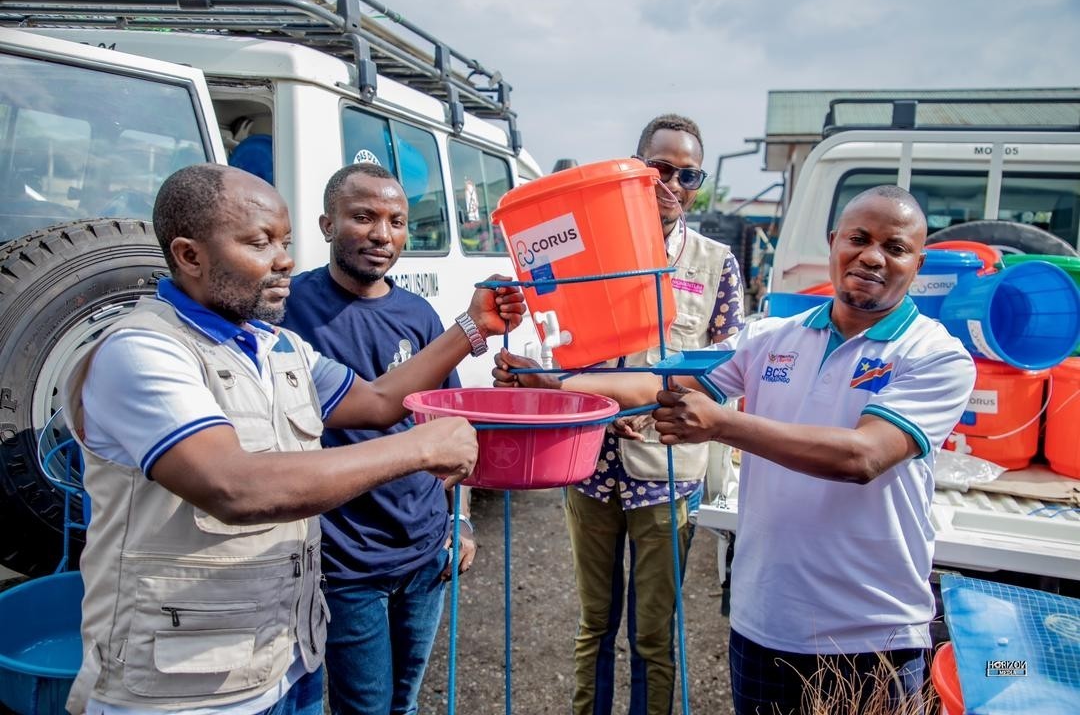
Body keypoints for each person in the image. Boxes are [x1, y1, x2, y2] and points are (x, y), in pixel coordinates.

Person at [61, 163, 524, 715]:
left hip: (287, 658)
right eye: (259, 243)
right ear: (189, 256)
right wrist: (421, 448)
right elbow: (234, 487)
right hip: (187, 688)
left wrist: (472, 329)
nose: (284, 260)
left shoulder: (276, 347)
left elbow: (377, 403)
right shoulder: (143, 350)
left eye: (285, 241)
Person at [496, 185, 976, 714]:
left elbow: (862, 456)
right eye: (859, 239)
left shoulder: (936, 355)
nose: (872, 256)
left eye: (895, 247)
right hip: (764, 623)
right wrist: (552, 384)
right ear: (833, 241)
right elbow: (660, 384)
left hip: (870, 634)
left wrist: (724, 424)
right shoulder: (770, 337)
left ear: (917, 261)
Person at [562, 114, 745, 715]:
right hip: (589, 465)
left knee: (652, 635)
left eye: (687, 174)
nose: (672, 184)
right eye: (659, 169)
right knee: (594, 626)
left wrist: (647, 405)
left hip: (668, 473)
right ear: (635, 168)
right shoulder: (590, 251)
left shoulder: (716, 264)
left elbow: (724, 371)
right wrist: (590, 402)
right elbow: (562, 347)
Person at [282, 162, 476, 715]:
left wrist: (460, 520)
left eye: (395, 220)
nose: (381, 234)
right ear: (326, 224)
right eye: (363, 216)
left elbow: (450, 425)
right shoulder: (289, 310)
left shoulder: (418, 315)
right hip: (344, 563)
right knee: (361, 708)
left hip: (423, 554)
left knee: (404, 704)